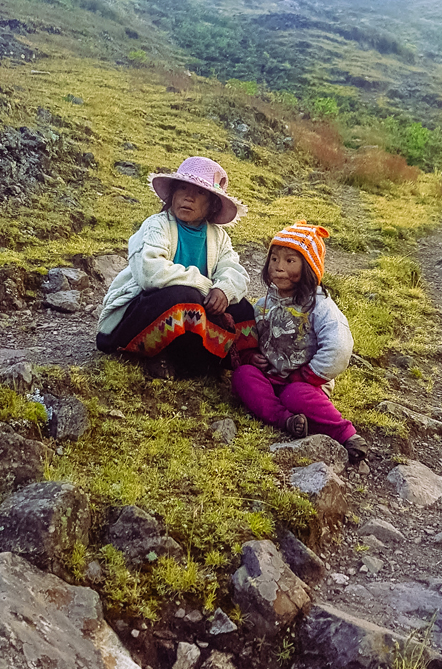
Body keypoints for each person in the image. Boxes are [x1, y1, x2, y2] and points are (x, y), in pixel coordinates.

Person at [96, 156, 256, 376]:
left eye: (200, 193)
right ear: (172, 194)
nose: (188, 197)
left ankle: (220, 361)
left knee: (242, 307)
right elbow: (150, 273)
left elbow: (234, 270)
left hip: (189, 321)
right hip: (136, 319)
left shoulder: (218, 237)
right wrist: (204, 285)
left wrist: (223, 291)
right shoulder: (157, 225)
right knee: (183, 296)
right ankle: (154, 354)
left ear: (212, 205)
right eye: (182, 188)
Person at [231, 221, 369, 463]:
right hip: (270, 378)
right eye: (274, 259)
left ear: (309, 267)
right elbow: (252, 337)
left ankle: (345, 433)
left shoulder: (320, 306)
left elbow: (339, 346)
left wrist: (308, 375)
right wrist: (251, 357)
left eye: (289, 261)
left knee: (295, 395)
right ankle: (286, 420)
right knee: (243, 376)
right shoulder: (264, 305)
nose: (278, 268)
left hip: (307, 384)